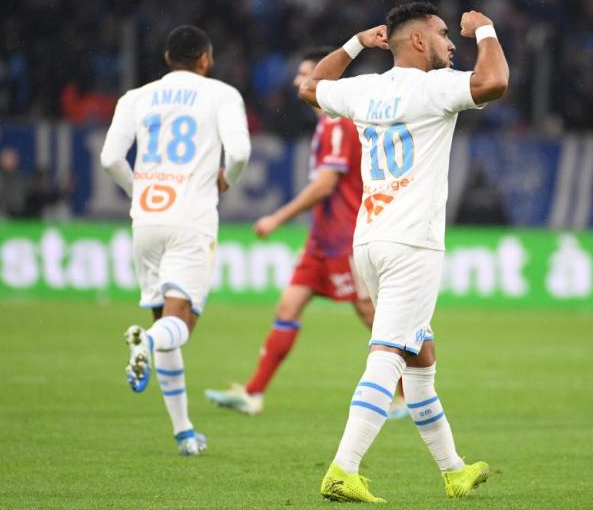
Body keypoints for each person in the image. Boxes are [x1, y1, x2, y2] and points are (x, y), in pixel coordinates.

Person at [298, 2, 509, 502]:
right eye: (441, 34)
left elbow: (309, 89)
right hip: (412, 243)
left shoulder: (365, 89)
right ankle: (343, 468)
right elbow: (495, 81)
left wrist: (354, 43)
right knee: (390, 353)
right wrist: (486, 30)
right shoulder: (434, 87)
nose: (450, 43)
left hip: (369, 241)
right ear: (417, 42)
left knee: (421, 355)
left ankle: (453, 469)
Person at [204, 48, 407, 418]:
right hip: (321, 241)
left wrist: (276, 219)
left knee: (372, 315)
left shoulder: (337, 124)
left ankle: (409, 395)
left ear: (326, 80)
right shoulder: (326, 124)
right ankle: (253, 394)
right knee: (287, 306)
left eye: (305, 74)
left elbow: (326, 185)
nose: (298, 81)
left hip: (344, 240)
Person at [99, 25, 251, 456]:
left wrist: (139, 191)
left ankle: (184, 433)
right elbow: (238, 154)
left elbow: (110, 159)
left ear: (168, 59)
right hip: (191, 218)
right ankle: (144, 344)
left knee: (163, 320)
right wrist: (226, 180)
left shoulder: (135, 98)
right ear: (205, 58)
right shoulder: (222, 94)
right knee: (179, 324)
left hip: (145, 219)